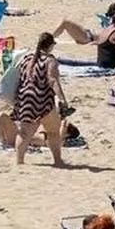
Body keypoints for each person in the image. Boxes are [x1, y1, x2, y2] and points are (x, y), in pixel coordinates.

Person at [13, 33, 67, 167]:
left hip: (25, 98)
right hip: (43, 99)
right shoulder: (50, 60)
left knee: (24, 133)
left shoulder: (27, 58)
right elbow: (52, 80)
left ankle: (19, 161)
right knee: (53, 131)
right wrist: (62, 99)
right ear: (50, 45)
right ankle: (58, 160)